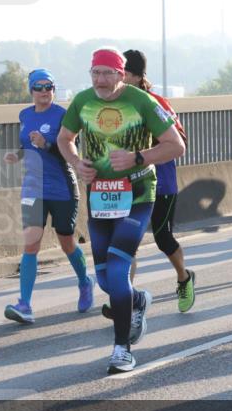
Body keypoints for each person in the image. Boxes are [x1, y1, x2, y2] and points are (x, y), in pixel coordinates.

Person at [58, 47, 185, 373]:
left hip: (138, 194)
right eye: (95, 73)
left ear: (121, 73)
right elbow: (64, 138)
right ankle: (137, 299)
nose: (101, 80)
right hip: (99, 196)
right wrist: (76, 163)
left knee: (117, 270)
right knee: (104, 278)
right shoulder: (83, 101)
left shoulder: (143, 102)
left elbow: (176, 145)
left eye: (107, 73)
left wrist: (137, 158)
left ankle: (121, 350)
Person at [2, 69, 94, 324]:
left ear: (54, 89)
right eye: (38, 87)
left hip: (62, 187)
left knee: (66, 242)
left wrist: (47, 145)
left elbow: (67, 149)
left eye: (48, 87)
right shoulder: (25, 115)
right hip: (33, 188)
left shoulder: (63, 116)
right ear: (31, 90)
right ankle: (25, 305)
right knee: (31, 243)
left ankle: (85, 282)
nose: (44, 92)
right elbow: (26, 145)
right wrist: (16, 155)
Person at [122, 49, 196, 313]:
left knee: (163, 238)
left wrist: (149, 145)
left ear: (131, 75)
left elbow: (181, 141)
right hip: (128, 185)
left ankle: (184, 278)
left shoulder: (156, 102)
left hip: (161, 182)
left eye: (120, 75)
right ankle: (125, 300)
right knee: (125, 240)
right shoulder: (114, 107)